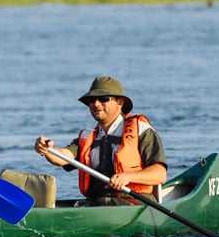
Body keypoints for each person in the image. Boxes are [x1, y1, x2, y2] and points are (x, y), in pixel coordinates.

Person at [34, 75, 167, 205]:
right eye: (91, 100)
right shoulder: (88, 137)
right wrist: (47, 149)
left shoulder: (141, 130)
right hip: (97, 204)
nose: (96, 104)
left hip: (134, 203)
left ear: (120, 102)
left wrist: (128, 177)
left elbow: (160, 174)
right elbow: (63, 157)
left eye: (103, 99)